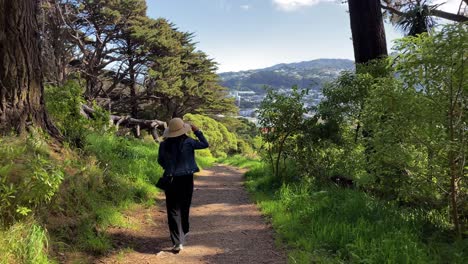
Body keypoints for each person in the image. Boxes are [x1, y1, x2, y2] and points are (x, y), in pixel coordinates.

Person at [157, 117, 209, 253]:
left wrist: (169, 168)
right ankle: (185, 231)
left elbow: (160, 161)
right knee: (184, 207)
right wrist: (197, 131)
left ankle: (177, 242)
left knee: (173, 211)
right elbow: (205, 144)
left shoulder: (164, 145)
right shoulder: (189, 142)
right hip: (186, 179)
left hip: (171, 179)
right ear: (183, 130)